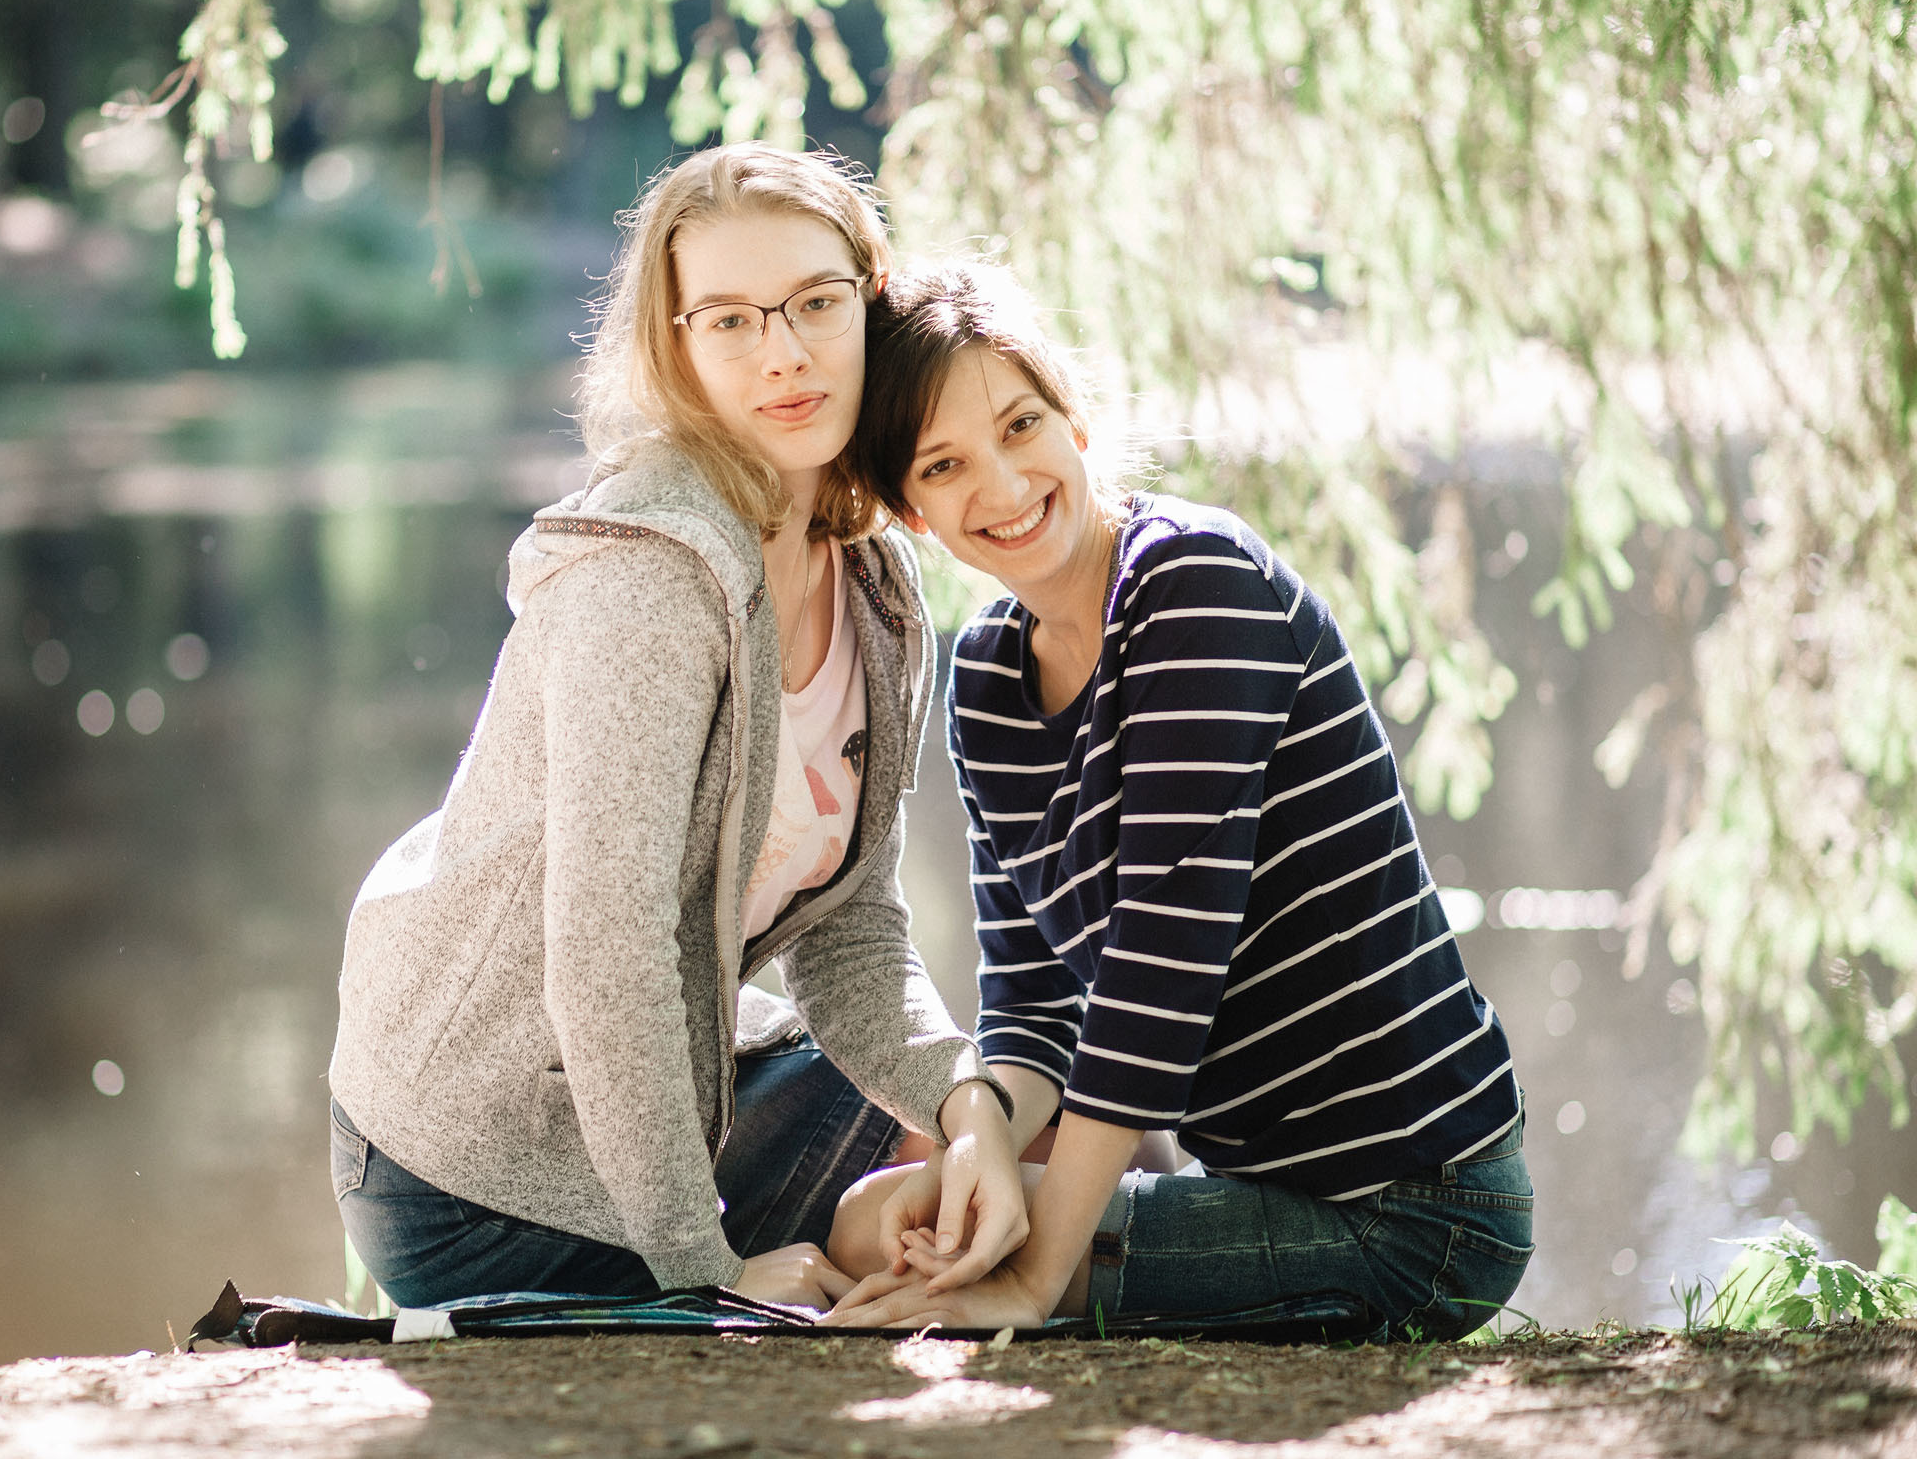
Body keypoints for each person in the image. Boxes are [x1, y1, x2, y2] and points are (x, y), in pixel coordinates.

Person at [327, 148, 1026, 1311]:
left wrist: (966, 1099)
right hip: (470, 1164)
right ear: (677, 344)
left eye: (815, 302)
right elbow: (608, 953)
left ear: (873, 295)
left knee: (1005, 1132)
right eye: (732, 320)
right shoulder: (651, 580)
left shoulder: (877, 581)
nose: (785, 353)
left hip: (662, 1094)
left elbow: (853, 932)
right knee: (1010, 1203)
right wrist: (708, 1274)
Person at [823, 262, 1531, 1338]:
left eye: (1022, 425)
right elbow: (1035, 1004)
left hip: (1416, 1208)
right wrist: (984, 1150)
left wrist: (1030, 1271)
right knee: (875, 1221)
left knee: (976, 1275)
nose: (1004, 485)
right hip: (1265, 1185)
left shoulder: (1198, 585)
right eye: (946, 464)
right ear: (914, 513)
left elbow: (1162, 974)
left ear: (1078, 423)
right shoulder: (985, 681)